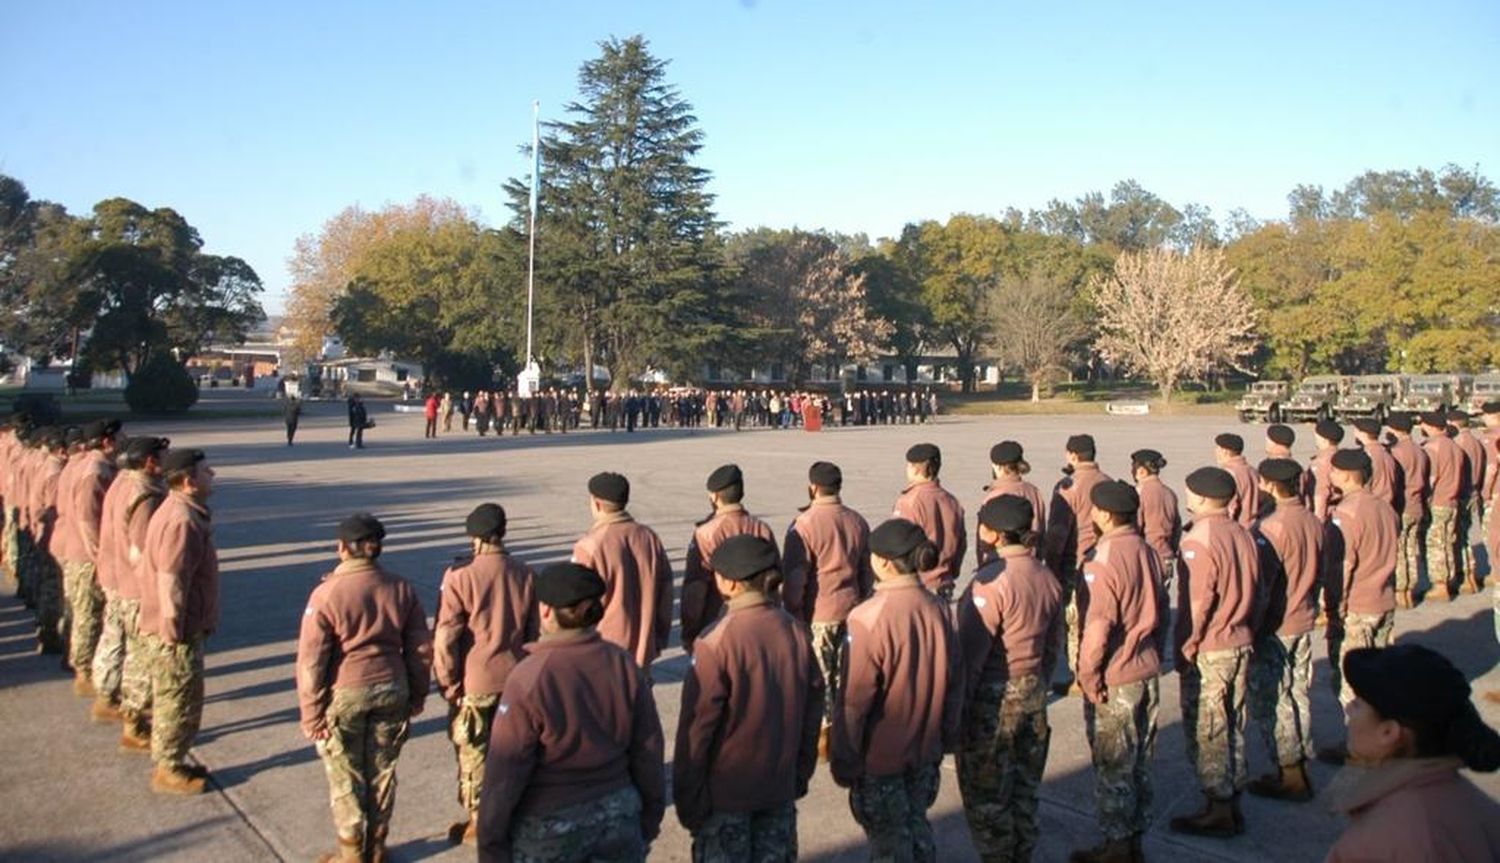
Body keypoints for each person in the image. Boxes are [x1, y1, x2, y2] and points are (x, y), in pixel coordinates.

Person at [478, 562, 665, 863]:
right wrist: (649, 815)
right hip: (618, 815)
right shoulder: (623, 664)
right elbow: (648, 748)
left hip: (550, 826)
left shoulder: (530, 677)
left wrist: (491, 844)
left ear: (546, 611)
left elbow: (505, 770)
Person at [674, 534, 823, 862]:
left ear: (728, 582)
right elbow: (813, 710)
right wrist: (800, 771)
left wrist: (689, 800)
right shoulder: (795, 631)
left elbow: (697, 732)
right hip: (778, 788)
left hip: (727, 798)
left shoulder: (716, 642)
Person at [297, 513, 432, 863]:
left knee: (346, 775)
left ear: (342, 548)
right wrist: (418, 693)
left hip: (347, 691)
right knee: (383, 769)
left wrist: (311, 712)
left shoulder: (327, 594)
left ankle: (351, 851)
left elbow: (312, 660)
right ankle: (377, 846)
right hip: (392, 686)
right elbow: (420, 648)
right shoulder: (401, 588)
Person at [832, 519, 960, 862]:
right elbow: (954, 684)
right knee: (917, 829)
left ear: (885, 562)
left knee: (889, 845)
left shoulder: (867, 618)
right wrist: (948, 736)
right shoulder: (941, 611)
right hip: (925, 751)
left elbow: (855, 702)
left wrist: (844, 756)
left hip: (881, 758)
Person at [956, 496, 1062, 863]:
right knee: (1025, 787)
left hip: (994, 699)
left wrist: (961, 711)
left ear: (993, 533)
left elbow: (971, 658)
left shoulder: (989, 583)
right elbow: (1053, 645)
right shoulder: (1045, 576)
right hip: (1032, 689)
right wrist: (1037, 680)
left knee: (988, 796)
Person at [1325, 644, 1500, 862]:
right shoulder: (1480, 808)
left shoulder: (1377, 843)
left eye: (1358, 704)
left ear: (1388, 732)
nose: (1349, 709)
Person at [432, 504, 539, 845]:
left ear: (474, 538)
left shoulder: (460, 576)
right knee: (513, 751)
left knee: (474, 754)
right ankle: (511, 811)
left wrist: (448, 682)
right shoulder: (525, 573)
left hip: (474, 681)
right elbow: (534, 632)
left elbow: (446, 636)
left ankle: (480, 822)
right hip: (515, 678)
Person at [1071, 480, 1165, 863]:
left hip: (1117, 674)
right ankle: (1134, 838)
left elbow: (1098, 627)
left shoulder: (1104, 558)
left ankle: (1117, 847)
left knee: (1114, 766)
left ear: (1106, 515)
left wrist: (1088, 676)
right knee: (1140, 760)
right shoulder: (1147, 550)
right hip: (1147, 666)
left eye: (1095, 509)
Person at [1171, 466, 1261, 838]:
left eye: (1191, 491)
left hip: (1211, 645)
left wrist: (1186, 645)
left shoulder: (1200, 539)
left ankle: (1218, 805)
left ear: (1204, 498)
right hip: (1239, 638)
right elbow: (1259, 587)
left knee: (1209, 727)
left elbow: (1198, 603)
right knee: (1234, 722)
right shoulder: (1241, 532)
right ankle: (1231, 795)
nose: (1187, 496)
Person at [136, 448, 219, 794]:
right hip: (175, 630)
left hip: (181, 625)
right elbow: (171, 580)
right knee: (178, 698)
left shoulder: (180, 510)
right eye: (205, 470)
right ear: (188, 480)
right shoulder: (181, 521)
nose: (211, 474)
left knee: (179, 696)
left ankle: (171, 759)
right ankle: (169, 768)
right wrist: (173, 630)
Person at [781, 460, 872, 758]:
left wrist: (793, 615)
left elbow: (796, 580)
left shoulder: (804, 526)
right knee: (847, 677)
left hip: (818, 615)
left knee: (819, 681)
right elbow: (866, 574)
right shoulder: (857, 521)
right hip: (852, 609)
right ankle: (851, 735)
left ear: (813, 488)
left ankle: (824, 741)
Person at [1246, 459, 1323, 801]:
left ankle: (1289, 772)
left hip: (1277, 626)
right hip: (1303, 617)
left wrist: (1252, 628)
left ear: (1270, 484)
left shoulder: (1272, 528)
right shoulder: (1312, 519)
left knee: (1274, 699)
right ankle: (1300, 760)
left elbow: (1262, 587)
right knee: (1298, 692)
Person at [1317, 447, 1400, 766]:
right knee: (1380, 678)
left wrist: (1333, 607)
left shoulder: (1346, 514)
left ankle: (1359, 746)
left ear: (1347, 475)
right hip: (1383, 600)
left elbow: (1343, 566)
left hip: (1357, 607)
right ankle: (1384, 739)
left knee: (1352, 683)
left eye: (1335, 472)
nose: (1331, 476)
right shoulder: (1384, 507)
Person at [90, 435, 167, 731]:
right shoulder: (144, 494)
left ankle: (106, 693)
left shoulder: (121, 482)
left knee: (113, 637)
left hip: (116, 575)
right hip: (136, 586)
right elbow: (144, 551)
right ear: (149, 461)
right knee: (140, 654)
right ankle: (134, 718)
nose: (166, 460)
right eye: (162, 456)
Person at [569, 472, 674, 679]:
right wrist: (657, 639)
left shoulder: (590, 546)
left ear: (596, 504)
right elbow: (666, 593)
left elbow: (577, 607)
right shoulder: (649, 538)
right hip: (642, 653)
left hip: (602, 655)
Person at [680, 464, 777, 652]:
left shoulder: (705, 534)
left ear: (715, 497)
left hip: (717, 626)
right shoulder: (761, 529)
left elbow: (695, 587)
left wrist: (690, 631)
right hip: (762, 624)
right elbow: (776, 580)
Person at [1044, 434, 1112, 696]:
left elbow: (1058, 534)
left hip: (1077, 563)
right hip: (1105, 560)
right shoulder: (1105, 481)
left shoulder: (1068, 487)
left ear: (1072, 455)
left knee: (1076, 624)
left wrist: (1051, 568)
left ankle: (1081, 677)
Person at [57, 419, 120, 696]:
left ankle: (74, 656)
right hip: (85, 553)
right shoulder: (95, 471)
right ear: (107, 442)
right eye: (120, 437)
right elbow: (87, 518)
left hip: (74, 545)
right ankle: (83, 670)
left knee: (80, 608)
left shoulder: (85, 464)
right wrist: (99, 557)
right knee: (88, 613)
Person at [891, 443, 966, 601]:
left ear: (915, 468)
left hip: (918, 587)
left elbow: (898, 546)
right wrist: (951, 572)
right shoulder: (952, 501)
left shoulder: (909, 502)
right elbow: (961, 544)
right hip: (944, 584)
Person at [976, 441, 1045, 566]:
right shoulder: (1033, 492)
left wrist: (983, 567)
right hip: (1031, 563)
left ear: (998, 467)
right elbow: (1041, 530)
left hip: (1001, 565)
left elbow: (985, 540)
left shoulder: (993, 497)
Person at [1385, 413, 1429, 608]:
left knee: (1400, 551)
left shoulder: (1398, 452)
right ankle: (1410, 589)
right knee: (1411, 549)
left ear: (1394, 429)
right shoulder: (1420, 450)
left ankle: (1401, 592)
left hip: (1403, 505)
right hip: (1417, 504)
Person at [1421, 411, 1464, 601]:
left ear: (1429, 426)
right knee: (1448, 542)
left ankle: (1440, 585)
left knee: (1436, 543)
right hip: (1452, 500)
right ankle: (1451, 578)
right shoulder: (1454, 446)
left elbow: (1431, 478)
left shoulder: (1433, 447)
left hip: (1438, 500)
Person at [1448, 409, 1486, 594]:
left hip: (1463, 494)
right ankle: (1468, 576)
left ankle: (1467, 577)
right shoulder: (1475, 441)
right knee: (1464, 536)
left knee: (1460, 539)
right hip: (1473, 492)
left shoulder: (1460, 443)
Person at [1352, 419, 1400, 512]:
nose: (1354, 432)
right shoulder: (1386, 453)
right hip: (1387, 505)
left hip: (1371, 506)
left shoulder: (1367, 455)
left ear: (1362, 433)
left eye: (1356, 430)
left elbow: (1363, 485)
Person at [1214, 433, 1261, 527]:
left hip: (1238, 528)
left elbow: (1230, 508)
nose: (1215, 452)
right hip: (1256, 527)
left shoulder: (1228, 474)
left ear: (1225, 451)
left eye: (1217, 448)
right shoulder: (1253, 471)